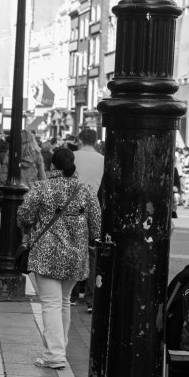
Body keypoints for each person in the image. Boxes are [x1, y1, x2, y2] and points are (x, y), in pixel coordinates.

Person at [17, 147, 101, 369]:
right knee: (63, 302)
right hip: (75, 257)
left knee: (51, 304)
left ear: (53, 166)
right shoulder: (85, 190)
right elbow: (97, 226)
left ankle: (54, 355)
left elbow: (24, 215)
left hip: (47, 255)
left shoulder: (42, 188)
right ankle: (59, 348)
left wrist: (29, 227)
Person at [72, 128, 105, 314]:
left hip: (74, 209)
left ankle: (73, 295)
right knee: (93, 255)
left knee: (77, 251)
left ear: (79, 139)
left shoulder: (72, 156)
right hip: (94, 208)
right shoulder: (102, 160)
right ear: (95, 141)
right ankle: (91, 299)